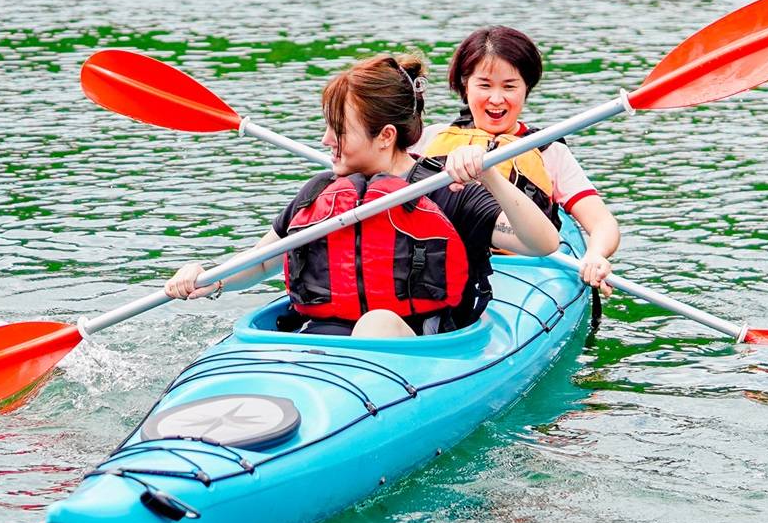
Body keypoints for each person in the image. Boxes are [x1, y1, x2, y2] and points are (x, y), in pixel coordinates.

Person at [164, 51, 560, 337]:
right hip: (325, 344)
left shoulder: (446, 191)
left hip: (415, 351)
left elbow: (542, 242)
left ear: (385, 136)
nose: (325, 140)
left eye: (339, 130)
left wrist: (489, 175)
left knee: (376, 324)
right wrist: (208, 278)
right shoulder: (319, 193)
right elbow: (261, 262)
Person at [412, 26, 623, 288]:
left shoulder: (549, 151)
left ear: (526, 88)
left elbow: (602, 222)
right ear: (465, 86)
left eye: (509, 86)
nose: (496, 99)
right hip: (433, 264)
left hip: (517, 272)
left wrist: (596, 254)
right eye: (484, 85)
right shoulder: (429, 139)